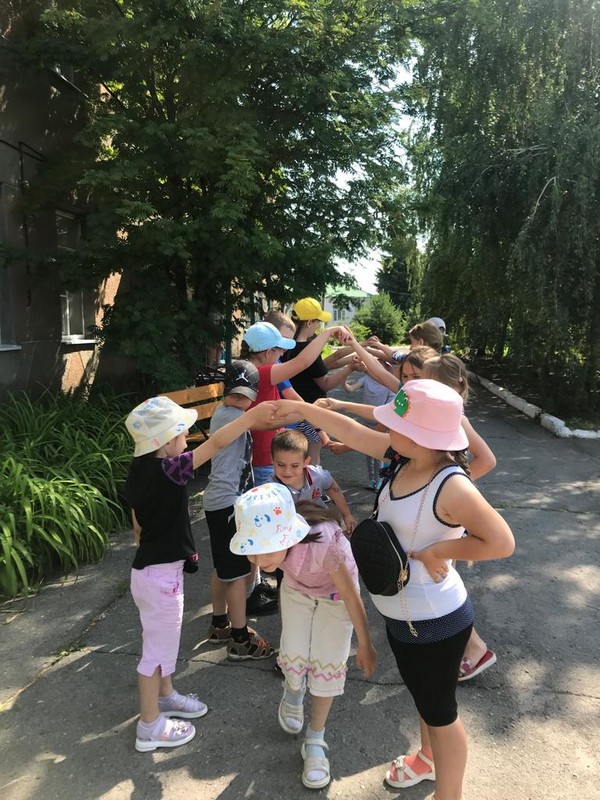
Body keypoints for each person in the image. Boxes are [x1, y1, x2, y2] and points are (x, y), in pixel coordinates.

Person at [270, 381, 515, 800]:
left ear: (420, 436)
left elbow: (502, 541)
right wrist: (303, 409)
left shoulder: (450, 485)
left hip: (433, 622)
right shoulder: (405, 457)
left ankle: (449, 794)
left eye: (394, 424)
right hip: (406, 618)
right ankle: (427, 759)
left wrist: (440, 550)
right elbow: (351, 431)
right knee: (426, 701)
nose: (385, 429)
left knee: (441, 715)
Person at [124, 394, 277, 752]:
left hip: (150, 573)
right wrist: (249, 417)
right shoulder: (170, 469)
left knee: (161, 646)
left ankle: (166, 696)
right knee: (153, 655)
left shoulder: (138, 472)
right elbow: (218, 442)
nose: (187, 440)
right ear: (165, 442)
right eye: (182, 434)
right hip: (161, 579)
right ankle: (149, 726)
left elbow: (138, 528)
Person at [230, 483, 377, 789]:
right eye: (251, 550)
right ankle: (293, 691)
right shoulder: (270, 555)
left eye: (265, 548)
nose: (258, 560)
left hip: (337, 596)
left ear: (287, 536)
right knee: (293, 650)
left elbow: (351, 594)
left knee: (328, 664)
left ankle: (315, 740)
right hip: (298, 588)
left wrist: (365, 643)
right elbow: (289, 611)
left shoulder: (323, 543)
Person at [422, 353, 497, 679]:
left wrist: (452, 489)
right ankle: (453, 644)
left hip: (443, 514)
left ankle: (475, 648)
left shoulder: (455, 418)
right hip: (436, 511)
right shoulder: (434, 414)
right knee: (439, 579)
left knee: (441, 582)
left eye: (426, 381)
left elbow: (487, 459)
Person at [202, 360, 277, 658]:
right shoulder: (231, 417)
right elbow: (265, 422)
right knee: (236, 573)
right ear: (225, 392)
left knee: (223, 569)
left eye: (244, 395)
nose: (240, 400)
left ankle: (219, 623)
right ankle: (239, 638)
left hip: (223, 503)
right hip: (227, 505)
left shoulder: (229, 413)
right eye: (235, 394)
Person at [282, 297, 357, 465]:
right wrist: (350, 369)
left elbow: (327, 364)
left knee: (294, 457)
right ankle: (312, 482)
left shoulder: (285, 347)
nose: (318, 326)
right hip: (311, 411)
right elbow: (326, 383)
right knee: (313, 457)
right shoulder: (309, 352)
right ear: (309, 322)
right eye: (318, 322)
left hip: (291, 411)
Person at [270, 428, 356, 534]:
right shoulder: (269, 489)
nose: (287, 471)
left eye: (295, 465)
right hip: (290, 532)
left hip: (320, 524)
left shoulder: (316, 474)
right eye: (281, 465)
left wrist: (346, 514)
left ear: (306, 462)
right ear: (272, 460)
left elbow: (331, 486)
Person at [344, 367, 396, 489]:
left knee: (378, 453)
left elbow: (390, 408)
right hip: (367, 421)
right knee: (367, 451)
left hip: (381, 423)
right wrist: (343, 376)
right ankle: (371, 480)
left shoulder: (389, 385)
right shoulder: (366, 379)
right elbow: (350, 388)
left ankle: (379, 480)